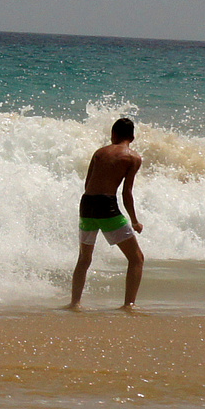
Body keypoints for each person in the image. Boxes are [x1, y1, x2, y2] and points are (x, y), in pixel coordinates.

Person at [70, 117, 145, 310]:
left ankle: (74, 303)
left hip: (86, 205)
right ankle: (129, 305)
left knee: (84, 259)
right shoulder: (133, 157)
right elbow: (126, 192)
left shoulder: (99, 153)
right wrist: (135, 221)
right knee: (136, 258)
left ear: (113, 134)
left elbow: (87, 184)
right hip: (107, 206)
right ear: (133, 137)